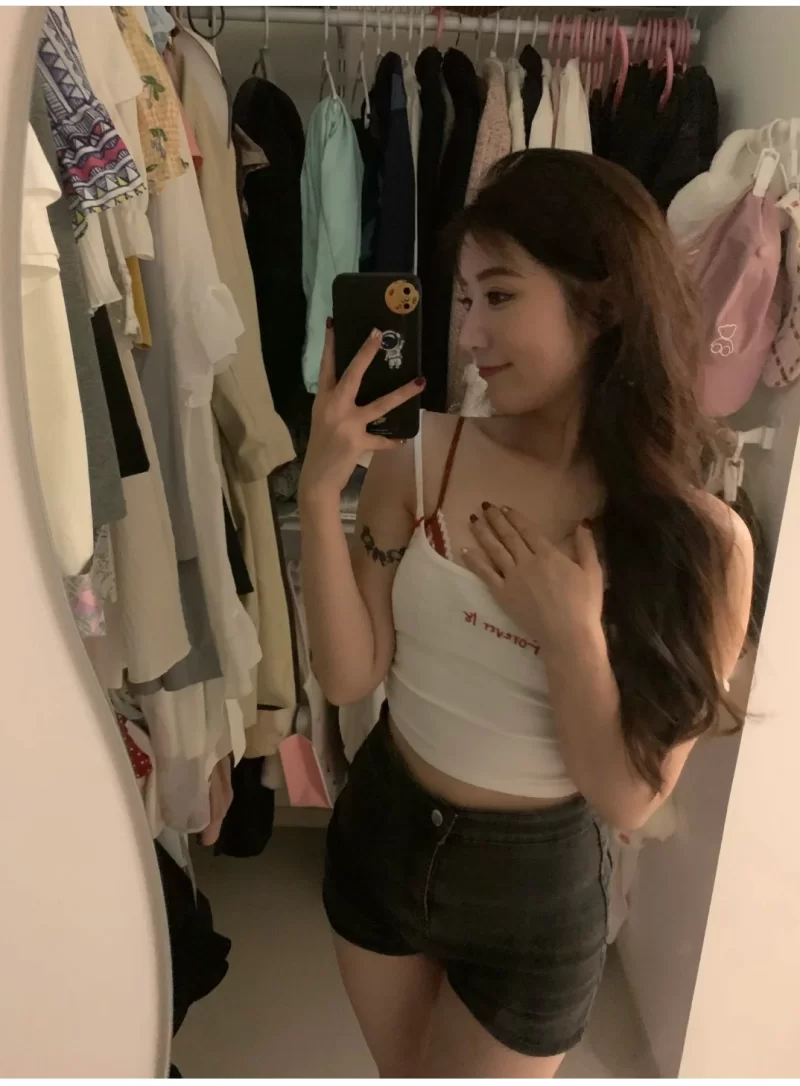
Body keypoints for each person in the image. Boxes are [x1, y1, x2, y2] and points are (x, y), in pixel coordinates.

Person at [298, 150, 754, 1078]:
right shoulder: (420, 458)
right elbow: (349, 677)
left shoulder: (701, 544)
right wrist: (316, 494)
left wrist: (572, 638)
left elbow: (627, 797)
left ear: (604, 302)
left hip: (535, 892)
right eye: (464, 299)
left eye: (500, 296)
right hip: (384, 833)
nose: (469, 334)